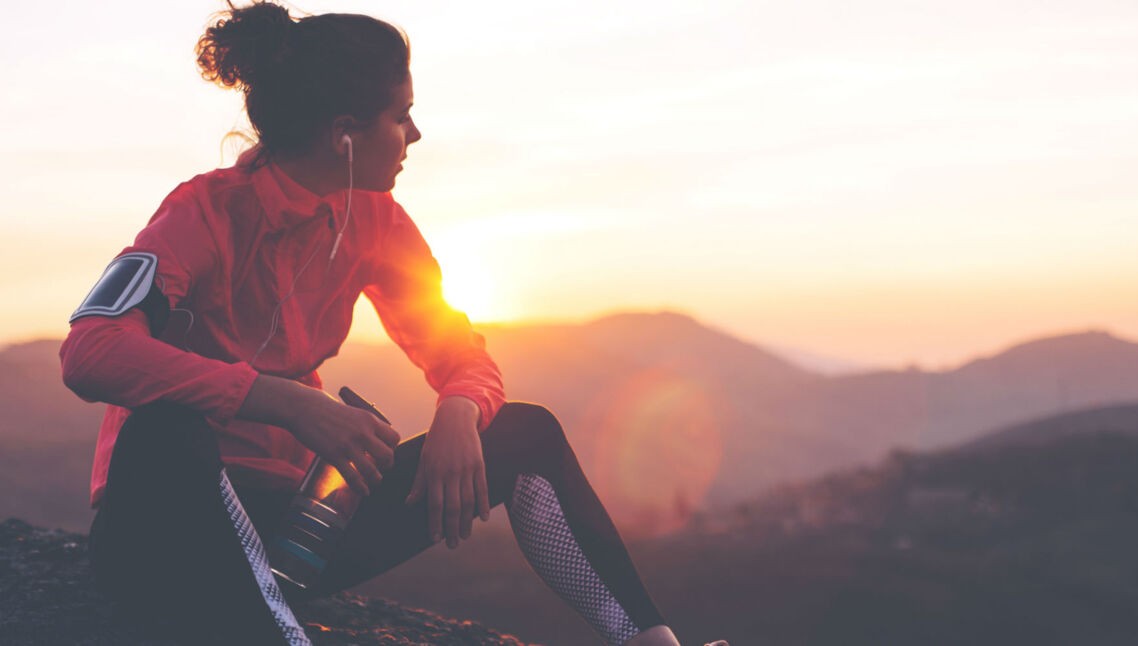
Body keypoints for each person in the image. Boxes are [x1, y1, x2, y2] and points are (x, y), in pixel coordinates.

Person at [59, 2, 728, 645]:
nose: (414, 135)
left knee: (527, 433)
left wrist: (461, 410)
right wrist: (283, 401)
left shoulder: (376, 220)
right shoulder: (201, 213)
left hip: (292, 537)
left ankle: (649, 641)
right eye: (402, 116)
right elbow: (91, 351)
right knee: (167, 426)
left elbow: (458, 349)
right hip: (165, 538)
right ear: (345, 133)